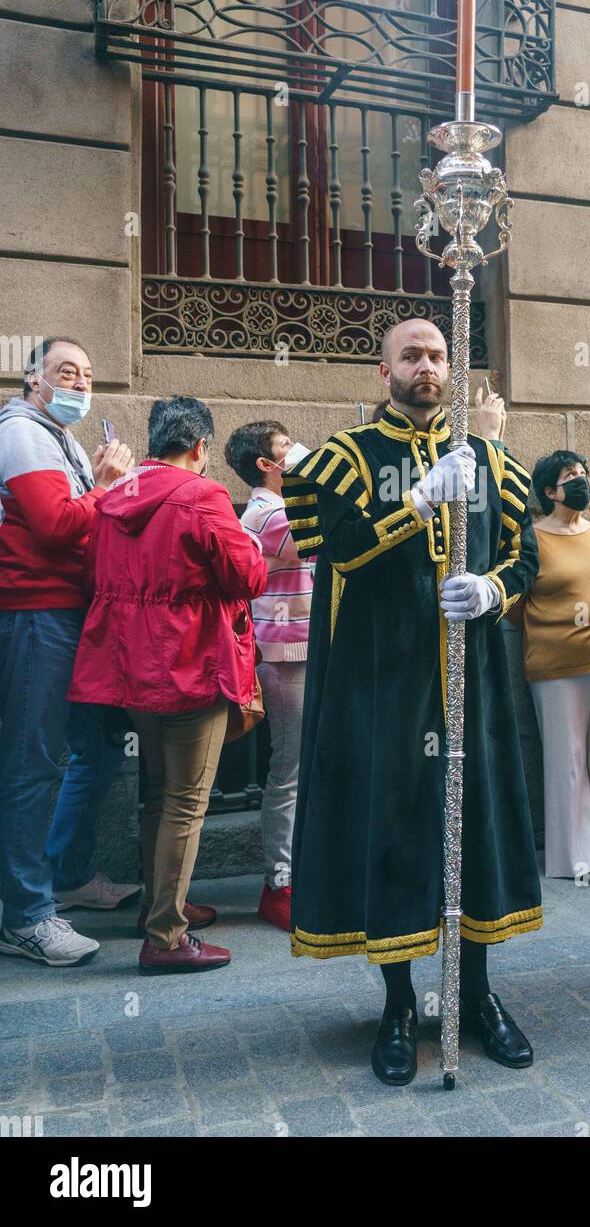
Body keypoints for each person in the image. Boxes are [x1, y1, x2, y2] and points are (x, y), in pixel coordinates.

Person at [282, 318, 541, 1086]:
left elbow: (524, 554)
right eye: (412, 356)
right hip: (384, 686)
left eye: (437, 356)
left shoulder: (493, 459)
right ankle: (398, 1004)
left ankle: (478, 995)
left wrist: (494, 586)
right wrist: (421, 501)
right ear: (383, 372)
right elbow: (345, 549)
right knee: (394, 830)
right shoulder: (344, 459)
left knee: (475, 827)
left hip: (474, 683)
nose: (426, 367)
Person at [67, 396, 268, 973]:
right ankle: (166, 936)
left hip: (129, 666)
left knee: (159, 792)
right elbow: (245, 576)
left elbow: (91, 575)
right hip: (190, 663)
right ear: (201, 447)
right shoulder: (201, 495)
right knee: (186, 801)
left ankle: (160, 907)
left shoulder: (115, 494)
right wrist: (251, 541)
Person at [0, 337, 139, 969]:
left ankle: (68, 875)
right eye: (65, 372)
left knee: (94, 746)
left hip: (71, 612)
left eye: (86, 374)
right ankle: (26, 916)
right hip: (37, 613)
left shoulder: (61, 437)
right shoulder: (22, 431)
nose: (79, 384)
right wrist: (108, 486)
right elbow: (56, 525)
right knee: (35, 761)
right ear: (34, 379)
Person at [511, 450, 590, 894]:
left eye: (584, 473)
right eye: (570, 476)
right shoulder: (533, 537)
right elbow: (516, 604)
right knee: (568, 760)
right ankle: (584, 857)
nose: (581, 481)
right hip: (557, 662)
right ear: (549, 491)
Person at [225, 420, 314, 932]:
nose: (298, 454)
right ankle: (278, 884)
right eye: (288, 449)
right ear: (267, 465)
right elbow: (318, 540)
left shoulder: (273, 509)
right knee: (291, 772)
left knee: (300, 769)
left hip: (301, 651)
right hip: (284, 656)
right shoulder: (269, 512)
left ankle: (297, 870)